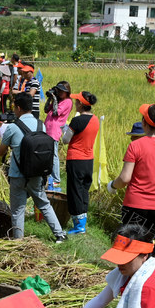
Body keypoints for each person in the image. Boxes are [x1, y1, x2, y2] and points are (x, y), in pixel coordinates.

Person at [0, 93, 66, 243]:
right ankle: (59, 234)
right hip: (37, 174)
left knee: (18, 210)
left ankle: (18, 241)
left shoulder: (13, 127)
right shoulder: (41, 125)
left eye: (14, 107)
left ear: (19, 108)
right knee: (44, 204)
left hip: (17, 175)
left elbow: (0, 152)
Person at [107, 104, 155, 236]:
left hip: (135, 203)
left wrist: (112, 185)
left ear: (144, 122)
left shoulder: (135, 146)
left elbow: (125, 178)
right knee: (147, 243)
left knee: (129, 244)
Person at [63, 91, 100, 236]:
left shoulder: (77, 121)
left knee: (75, 191)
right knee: (84, 190)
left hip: (75, 159)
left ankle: (78, 227)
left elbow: (65, 140)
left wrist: (65, 130)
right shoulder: (95, 120)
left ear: (81, 104)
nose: (75, 104)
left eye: (77, 101)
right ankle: (82, 222)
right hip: (88, 160)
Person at [44, 81, 73, 190]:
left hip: (54, 130)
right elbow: (46, 109)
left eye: (62, 91)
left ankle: (56, 179)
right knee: (48, 153)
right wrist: (50, 97)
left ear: (67, 92)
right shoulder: (59, 100)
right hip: (48, 128)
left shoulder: (67, 102)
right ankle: (49, 176)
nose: (60, 93)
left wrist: (54, 98)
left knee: (53, 154)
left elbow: (56, 112)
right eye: (59, 90)